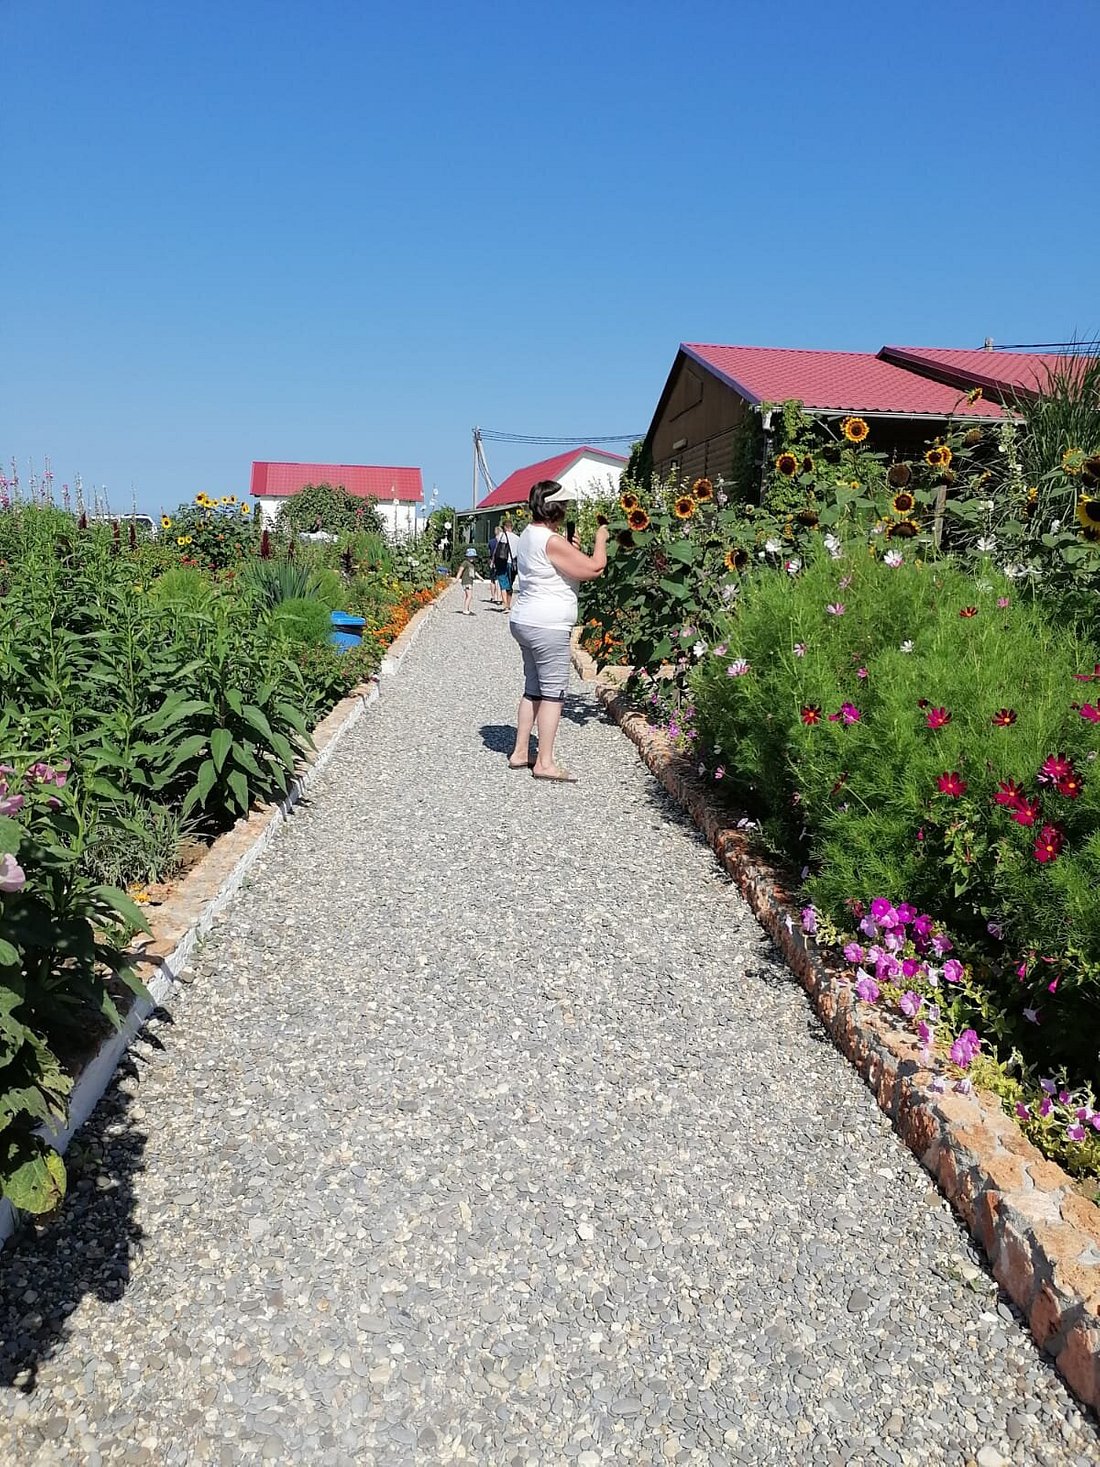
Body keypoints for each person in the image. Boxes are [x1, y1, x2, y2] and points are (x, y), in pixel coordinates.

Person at [508, 481, 609, 782]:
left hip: (524, 619)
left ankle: (520, 752)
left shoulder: (528, 534)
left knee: (533, 689)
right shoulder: (552, 540)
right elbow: (593, 570)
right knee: (553, 694)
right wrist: (601, 539)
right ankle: (545, 763)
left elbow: (553, 569)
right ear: (556, 508)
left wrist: (570, 549)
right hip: (547, 625)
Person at [457, 547, 478, 615]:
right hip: (466, 581)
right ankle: (465, 609)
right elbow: (461, 570)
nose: (471, 558)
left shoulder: (472, 565)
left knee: (468, 596)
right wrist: (457, 578)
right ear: (467, 557)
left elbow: (474, 572)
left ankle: (467, 608)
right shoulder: (465, 563)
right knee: (469, 596)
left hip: (470, 581)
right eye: (470, 557)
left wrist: (480, 578)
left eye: (473, 557)